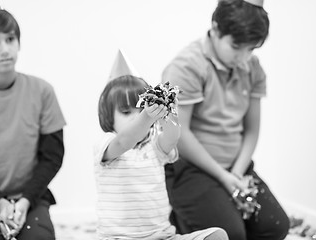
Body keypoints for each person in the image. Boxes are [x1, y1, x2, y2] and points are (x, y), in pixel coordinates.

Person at [161, 0, 290, 240]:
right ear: (216, 29)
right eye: (236, 46)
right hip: (191, 169)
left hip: (235, 167)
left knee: (276, 226)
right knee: (229, 233)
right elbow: (180, 136)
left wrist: (237, 174)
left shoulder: (252, 67)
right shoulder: (186, 66)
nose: (243, 58)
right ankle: (181, 222)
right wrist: (223, 177)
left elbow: (252, 130)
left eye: (251, 49)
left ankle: (217, 211)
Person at [94, 50, 228, 240]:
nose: (135, 116)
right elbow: (125, 140)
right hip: (119, 237)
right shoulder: (106, 143)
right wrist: (146, 116)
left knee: (217, 235)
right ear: (108, 116)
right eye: (125, 111)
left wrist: (169, 112)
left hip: (161, 236)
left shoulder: (153, 146)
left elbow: (172, 138)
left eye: (140, 108)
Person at [0, 1, 66, 239]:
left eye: (10, 39)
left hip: (29, 196)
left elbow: (52, 156)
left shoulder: (42, 91)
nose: (5, 49)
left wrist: (26, 201)